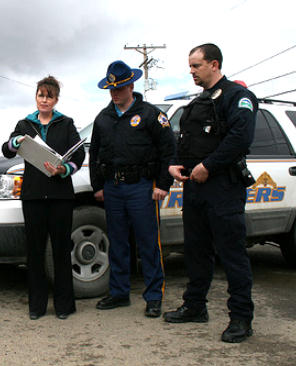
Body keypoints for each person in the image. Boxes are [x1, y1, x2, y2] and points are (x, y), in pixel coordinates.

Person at [163, 44, 258, 343]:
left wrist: (209, 166)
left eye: (196, 65)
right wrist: (175, 164)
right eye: (190, 66)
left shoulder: (237, 97)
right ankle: (195, 306)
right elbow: (185, 140)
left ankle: (241, 318)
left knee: (231, 253)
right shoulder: (197, 103)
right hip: (194, 187)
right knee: (196, 250)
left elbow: (240, 139)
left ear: (214, 64)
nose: (191, 71)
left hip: (222, 187)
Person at [89, 61, 175, 318]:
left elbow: (168, 151)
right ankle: (119, 293)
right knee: (117, 243)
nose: (115, 93)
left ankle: (153, 297)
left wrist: (162, 185)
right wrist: (98, 186)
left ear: (131, 85)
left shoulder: (150, 115)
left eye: (120, 88)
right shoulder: (102, 118)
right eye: (111, 89)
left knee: (149, 243)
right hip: (113, 188)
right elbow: (94, 154)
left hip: (142, 187)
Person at [2, 76, 85, 320]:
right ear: (36, 97)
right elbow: (6, 150)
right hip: (33, 196)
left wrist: (64, 169)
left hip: (61, 196)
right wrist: (15, 141)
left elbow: (78, 155)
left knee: (61, 250)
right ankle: (36, 306)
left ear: (56, 99)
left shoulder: (66, 123)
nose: (44, 99)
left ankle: (64, 306)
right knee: (35, 252)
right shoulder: (24, 124)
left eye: (49, 96)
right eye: (41, 95)